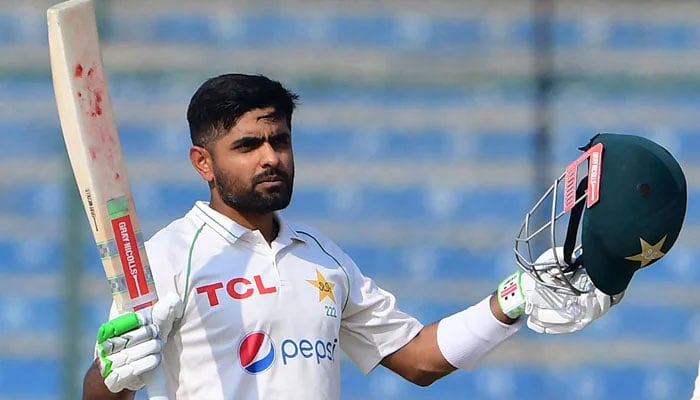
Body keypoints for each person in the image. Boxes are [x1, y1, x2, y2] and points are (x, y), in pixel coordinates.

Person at [81, 74, 687, 400]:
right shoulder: (165, 258)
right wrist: (112, 379)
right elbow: (103, 395)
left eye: (280, 141)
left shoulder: (322, 257)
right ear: (202, 162)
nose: (271, 158)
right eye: (247, 146)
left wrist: (514, 301)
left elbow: (417, 361)